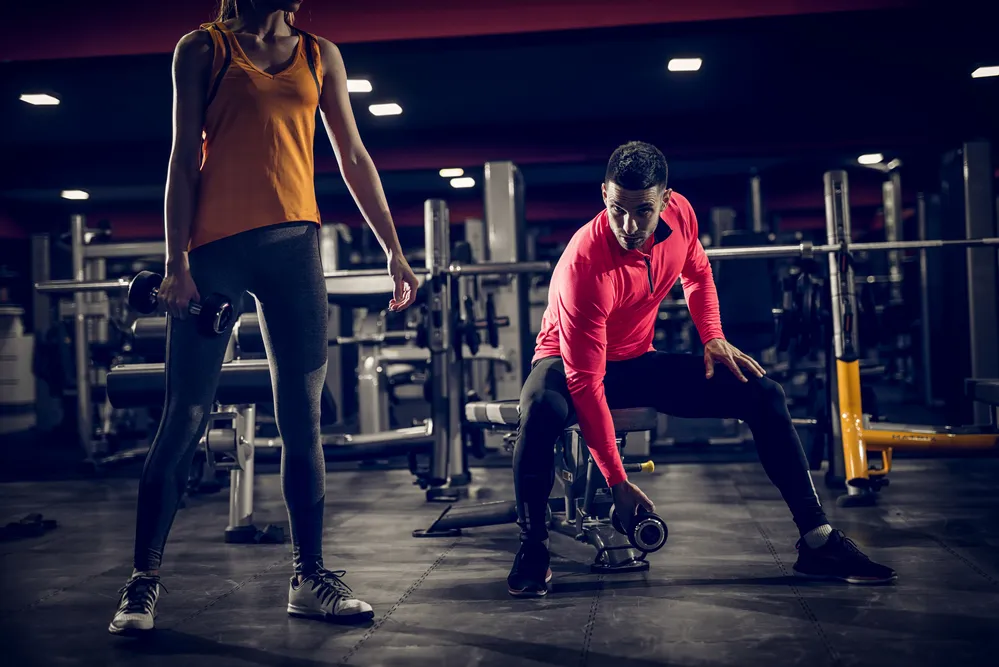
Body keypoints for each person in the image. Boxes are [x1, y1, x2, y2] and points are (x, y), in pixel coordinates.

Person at [109, 0, 420, 635]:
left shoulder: (319, 53)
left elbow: (353, 156)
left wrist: (395, 249)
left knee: (303, 421)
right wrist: (175, 264)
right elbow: (181, 159)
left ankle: (310, 576)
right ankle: (142, 583)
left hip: (295, 255)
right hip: (214, 254)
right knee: (185, 418)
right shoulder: (203, 48)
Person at [506, 141, 897, 598]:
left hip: (635, 360)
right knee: (540, 411)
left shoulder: (683, 217)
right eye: (617, 210)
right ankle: (533, 547)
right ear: (603, 196)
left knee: (764, 394)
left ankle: (817, 540)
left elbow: (698, 271)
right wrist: (618, 482)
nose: (628, 226)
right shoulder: (584, 266)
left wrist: (712, 334)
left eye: (642, 211)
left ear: (666, 201)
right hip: (568, 364)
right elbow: (587, 384)